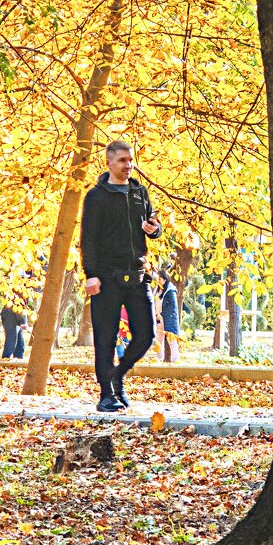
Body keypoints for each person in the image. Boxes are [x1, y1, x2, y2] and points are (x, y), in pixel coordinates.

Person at [80, 140, 161, 412]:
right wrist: (91, 274)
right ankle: (106, 395)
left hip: (138, 275)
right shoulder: (96, 196)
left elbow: (152, 225)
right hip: (106, 277)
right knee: (105, 338)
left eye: (130, 160)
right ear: (109, 163)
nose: (129, 165)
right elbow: (87, 239)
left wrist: (154, 230)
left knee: (146, 335)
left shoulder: (140, 192)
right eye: (123, 160)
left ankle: (118, 375)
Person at [153, 269, 181, 362]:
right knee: (158, 338)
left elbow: (172, 306)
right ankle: (159, 359)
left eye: (160, 279)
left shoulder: (170, 290)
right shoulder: (157, 289)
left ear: (165, 279)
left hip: (168, 318)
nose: (158, 281)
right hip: (158, 318)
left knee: (171, 339)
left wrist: (162, 314)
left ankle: (175, 360)